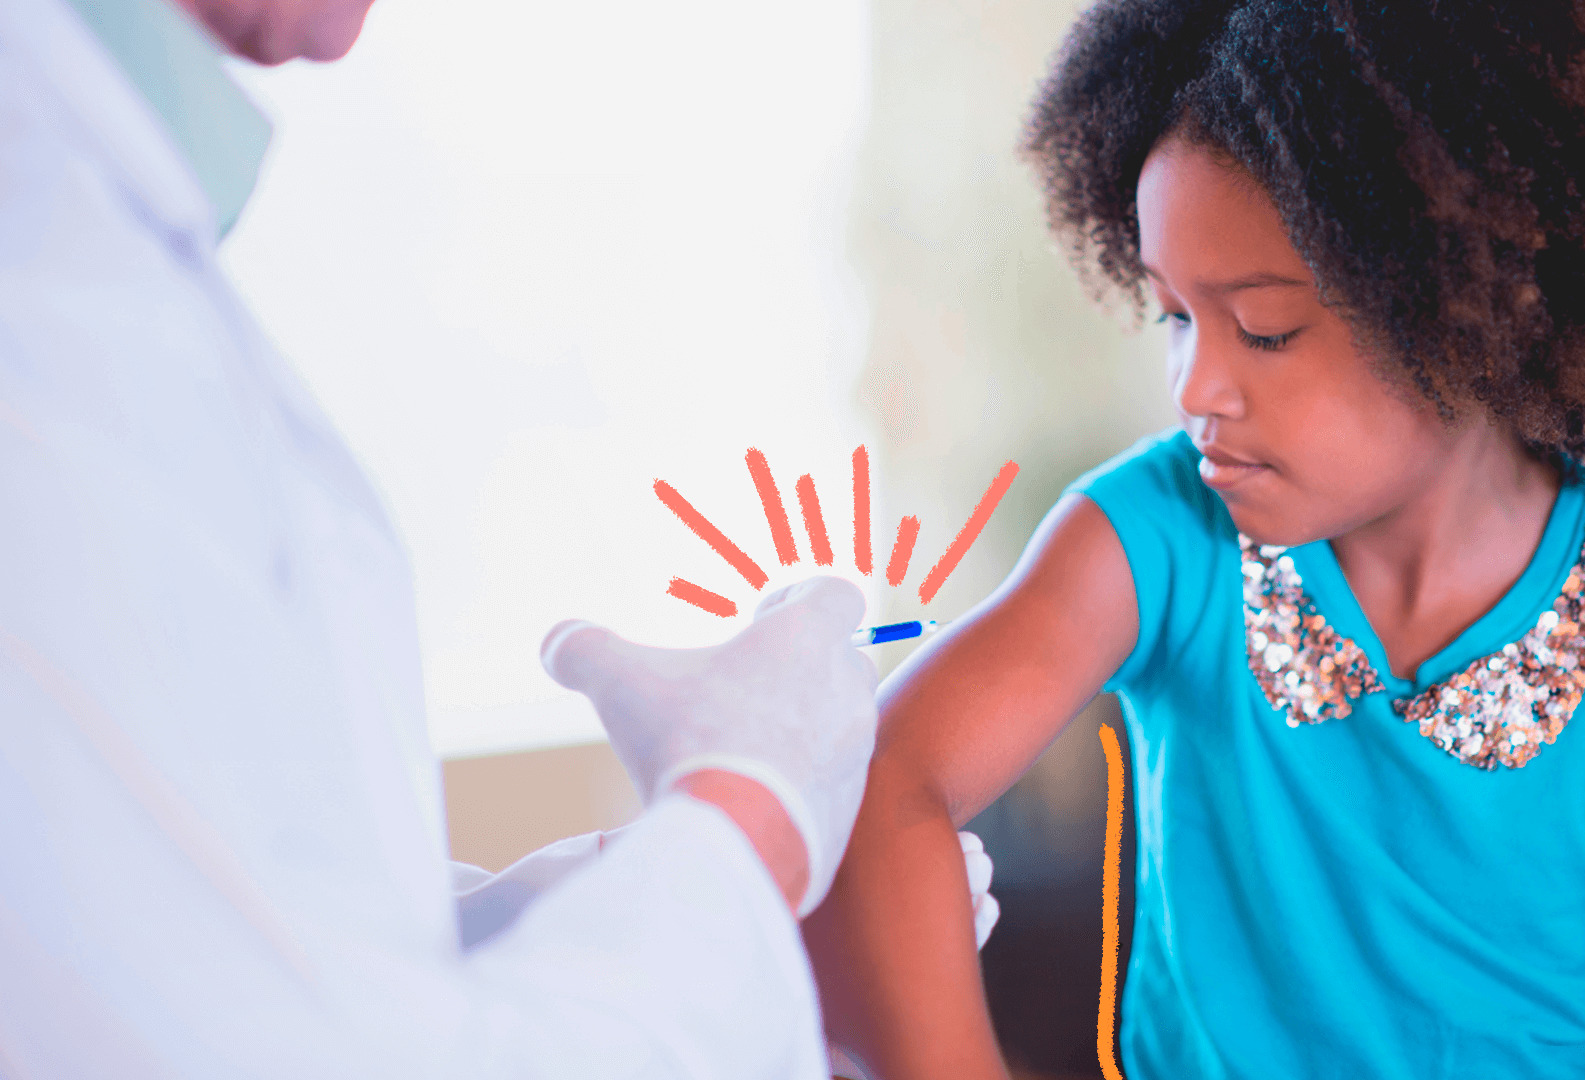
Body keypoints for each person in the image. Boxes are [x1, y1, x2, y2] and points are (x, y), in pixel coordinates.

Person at [803, 2, 1585, 1078]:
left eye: (1266, 328)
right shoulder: (1157, 535)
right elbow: (878, 785)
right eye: (1173, 314)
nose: (1195, 387)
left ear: (1482, 303)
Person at [0, 0, 994, 1075]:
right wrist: (740, 829)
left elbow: (218, 932)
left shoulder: (88, 235)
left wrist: (609, 891)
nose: (346, 41)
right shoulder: (47, 315)